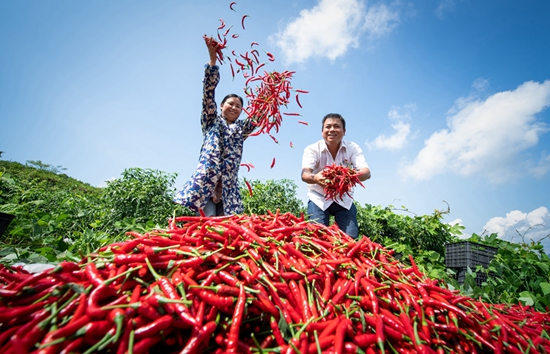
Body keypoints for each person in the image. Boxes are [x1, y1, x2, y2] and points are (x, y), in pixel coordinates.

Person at [174, 36, 256, 216]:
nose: (234, 107)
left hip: (228, 188)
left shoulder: (241, 129)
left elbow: (260, 117)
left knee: (227, 230)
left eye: (239, 106)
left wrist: (270, 95)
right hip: (207, 184)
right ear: (221, 106)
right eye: (231, 104)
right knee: (206, 225)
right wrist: (213, 61)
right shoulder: (211, 120)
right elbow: (208, 93)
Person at [301, 113, 371, 238]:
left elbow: (366, 173)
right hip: (319, 197)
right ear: (322, 131)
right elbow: (304, 174)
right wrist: (316, 178)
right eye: (328, 127)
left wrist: (346, 178)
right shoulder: (312, 149)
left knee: (350, 237)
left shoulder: (353, 148)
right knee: (317, 236)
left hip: (343, 198)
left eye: (336, 126)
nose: (332, 130)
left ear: (344, 131)